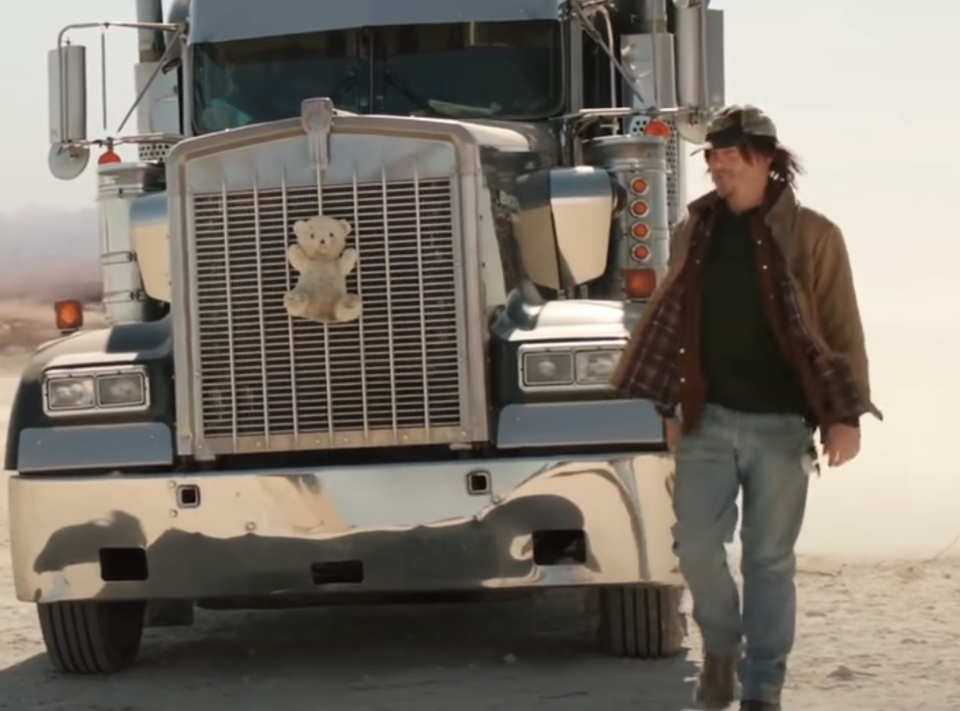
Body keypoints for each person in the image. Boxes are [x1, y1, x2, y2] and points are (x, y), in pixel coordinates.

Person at [609, 105, 882, 711]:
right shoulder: (694, 230)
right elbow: (675, 322)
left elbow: (842, 328)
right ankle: (722, 648)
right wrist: (669, 408)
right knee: (697, 548)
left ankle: (762, 689)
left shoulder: (815, 234)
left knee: (769, 561)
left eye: (729, 152)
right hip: (708, 421)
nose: (716, 163)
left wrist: (846, 417)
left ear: (767, 158)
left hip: (783, 427)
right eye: (711, 153)